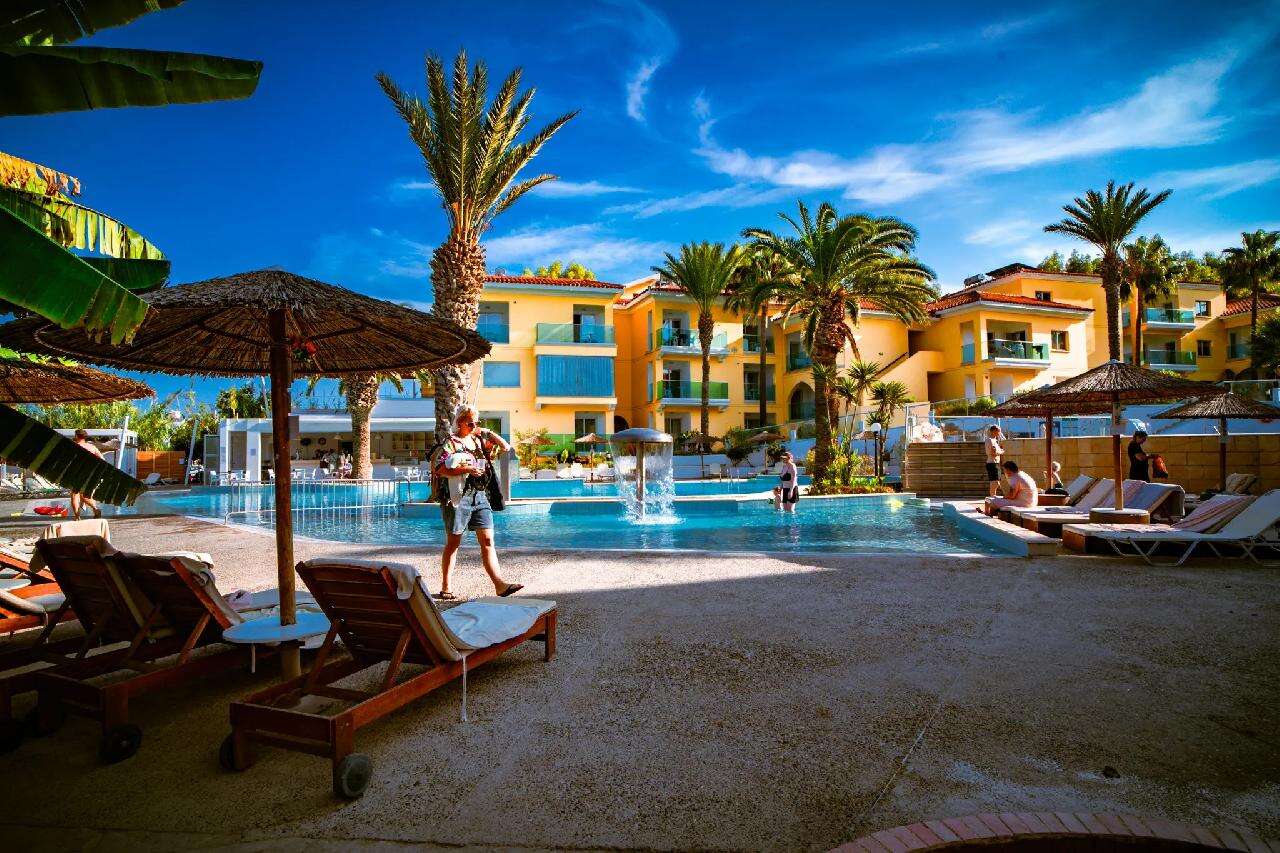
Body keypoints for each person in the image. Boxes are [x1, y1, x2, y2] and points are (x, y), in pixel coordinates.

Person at [433, 403, 521, 600]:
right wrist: (467, 469)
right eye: (470, 423)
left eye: (476, 423)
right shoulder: (451, 443)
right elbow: (439, 468)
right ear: (460, 422)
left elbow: (506, 447)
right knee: (454, 542)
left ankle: (500, 585)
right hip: (458, 497)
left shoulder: (478, 440)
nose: (474, 426)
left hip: (480, 495)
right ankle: (446, 587)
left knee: (488, 540)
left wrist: (488, 432)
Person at [70, 429, 104, 520]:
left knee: (75, 494)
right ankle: (96, 509)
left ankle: (77, 517)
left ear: (76, 436)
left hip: (78, 473)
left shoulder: (75, 446)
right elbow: (102, 460)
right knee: (84, 495)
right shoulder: (92, 447)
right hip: (90, 474)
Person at [984, 425, 1004, 497]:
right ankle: (993, 497)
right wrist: (1002, 452)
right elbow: (993, 453)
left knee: (997, 482)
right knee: (994, 482)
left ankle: (993, 497)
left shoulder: (994, 440)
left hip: (995, 463)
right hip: (992, 463)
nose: (999, 433)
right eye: (998, 431)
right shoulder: (990, 440)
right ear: (993, 431)